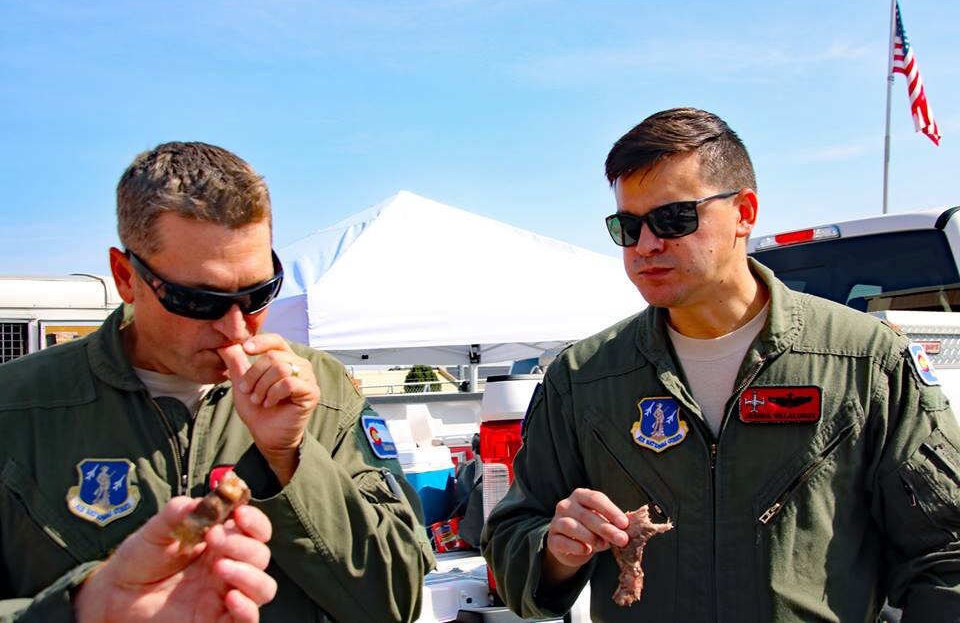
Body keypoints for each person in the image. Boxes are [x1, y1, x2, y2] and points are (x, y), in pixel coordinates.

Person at [482, 108, 960, 622]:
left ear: (744, 213)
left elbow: (945, 554)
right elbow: (512, 538)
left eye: (674, 219)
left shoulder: (863, 362)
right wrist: (555, 552)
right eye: (628, 226)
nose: (646, 245)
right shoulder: (585, 376)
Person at [0, 142, 433, 622]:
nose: (236, 328)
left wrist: (290, 458)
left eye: (258, 293)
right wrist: (83, 608)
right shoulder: (16, 410)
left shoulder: (322, 391)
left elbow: (396, 601)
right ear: (126, 277)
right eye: (199, 300)